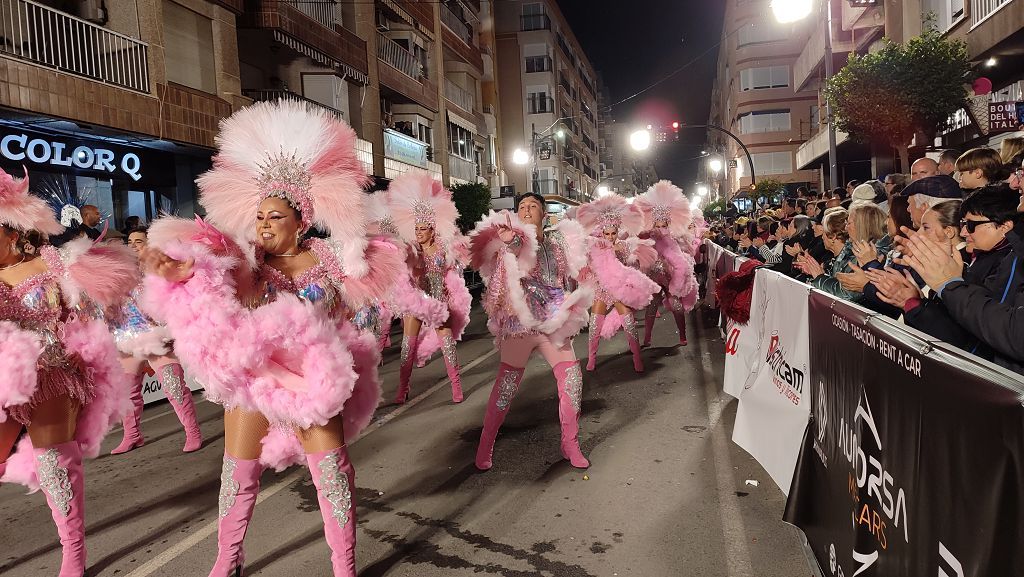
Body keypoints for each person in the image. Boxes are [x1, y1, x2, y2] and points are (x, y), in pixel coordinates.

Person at [140, 101, 404, 577]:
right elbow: (206, 274)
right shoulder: (243, 261)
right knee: (238, 474)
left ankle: (344, 566)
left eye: (275, 216)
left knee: (332, 474)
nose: (263, 224)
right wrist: (179, 272)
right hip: (256, 379)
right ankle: (228, 560)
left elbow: (361, 299)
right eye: (260, 216)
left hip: (311, 382)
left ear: (300, 221)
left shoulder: (330, 258)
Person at [0, 167, 137, 577]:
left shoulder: (56, 264)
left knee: (55, 466)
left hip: (54, 375)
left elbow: (91, 315)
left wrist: (81, 346)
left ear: (11, 232)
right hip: (5, 382)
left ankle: (73, 552)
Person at [469, 193, 593, 470]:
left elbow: (568, 276)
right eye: (522, 206)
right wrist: (509, 240)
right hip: (521, 325)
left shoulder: (558, 240)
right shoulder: (511, 241)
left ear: (544, 214)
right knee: (506, 387)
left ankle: (570, 444)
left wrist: (572, 315)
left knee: (572, 380)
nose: (526, 209)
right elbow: (519, 249)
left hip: (555, 321)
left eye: (533, 206)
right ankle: (486, 445)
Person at [871, 186, 1024, 372]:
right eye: (963, 223)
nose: (964, 232)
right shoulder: (980, 261)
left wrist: (949, 286)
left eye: (971, 225)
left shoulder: (1010, 262)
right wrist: (916, 303)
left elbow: (989, 335)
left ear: (1005, 227)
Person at [107, 226, 203, 454]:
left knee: (173, 386)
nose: (133, 246)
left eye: (139, 241)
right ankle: (132, 435)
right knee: (127, 392)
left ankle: (192, 432)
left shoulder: (160, 269)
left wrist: (169, 327)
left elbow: (177, 298)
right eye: (130, 242)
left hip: (156, 338)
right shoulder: (118, 272)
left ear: (149, 244)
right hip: (127, 338)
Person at [387, 170, 471, 405]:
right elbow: (401, 266)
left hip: (438, 302)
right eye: (416, 229)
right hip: (416, 301)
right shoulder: (412, 250)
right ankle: (403, 388)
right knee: (407, 347)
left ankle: (456, 386)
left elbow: (458, 264)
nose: (419, 233)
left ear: (433, 230)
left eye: (423, 229)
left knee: (448, 346)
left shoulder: (444, 249)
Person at [576, 192, 660, 374]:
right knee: (594, 326)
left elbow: (633, 266)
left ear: (617, 232)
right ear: (602, 232)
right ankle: (591, 359)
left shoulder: (624, 246)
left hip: (619, 290)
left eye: (613, 233)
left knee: (629, 324)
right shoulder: (595, 246)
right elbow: (588, 263)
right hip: (601, 289)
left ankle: (637, 358)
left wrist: (623, 256)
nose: (610, 236)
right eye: (606, 233)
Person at [634, 180, 697, 347]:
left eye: (664, 225)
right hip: (653, 275)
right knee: (652, 307)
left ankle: (682, 335)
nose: (661, 228)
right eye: (658, 225)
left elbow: (682, 256)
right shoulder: (647, 237)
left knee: (676, 305)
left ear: (669, 224)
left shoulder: (674, 238)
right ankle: (647, 338)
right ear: (653, 224)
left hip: (669, 276)